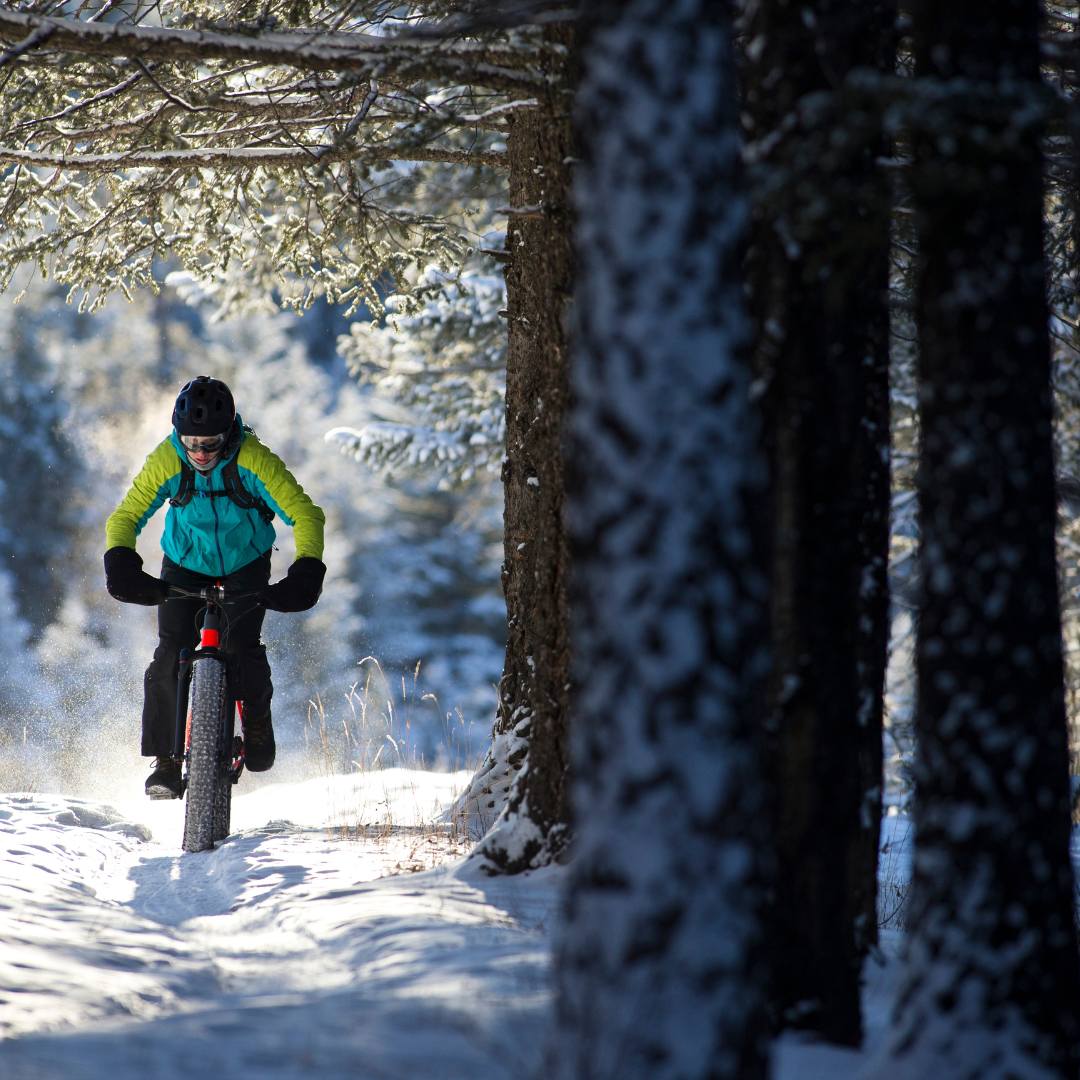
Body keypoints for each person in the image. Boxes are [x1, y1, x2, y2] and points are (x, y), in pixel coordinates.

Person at [103, 376, 326, 799]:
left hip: (246, 562)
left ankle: (256, 721)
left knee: (243, 646)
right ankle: (165, 761)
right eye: (192, 443)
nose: (201, 453)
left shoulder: (254, 459)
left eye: (211, 443)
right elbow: (125, 517)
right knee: (170, 651)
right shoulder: (168, 459)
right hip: (185, 563)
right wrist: (122, 563)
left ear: (229, 436)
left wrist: (306, 570)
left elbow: (306, 514)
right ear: (178, 436)